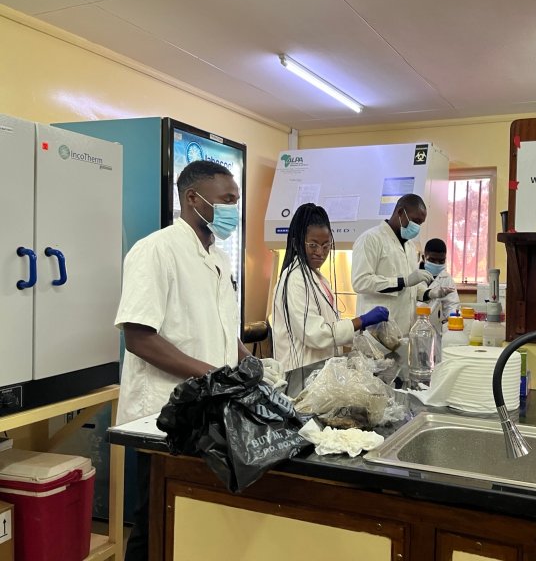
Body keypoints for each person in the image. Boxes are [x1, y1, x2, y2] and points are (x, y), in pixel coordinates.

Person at [115, 159, 266, 561]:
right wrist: (215, 374)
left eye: (237, 200)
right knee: (154, 519)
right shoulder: (155, 251)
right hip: (163, 413)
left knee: (189, 516)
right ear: (192, 198)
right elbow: (138, 337)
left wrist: (246, 361)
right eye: (227, 200)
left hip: (208, 408)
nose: (234, 208)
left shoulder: (217, 255)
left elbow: (218, 323)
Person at [272, 203, 389, 371]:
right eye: (313, 245)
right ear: (297, 243)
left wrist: (362, 329)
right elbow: (314, 334)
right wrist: (360, 321)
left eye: (326, 245)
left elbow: (328, 326)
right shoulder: (295, 279)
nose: (320, 252)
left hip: (317, 370)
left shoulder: (317, 277)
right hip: (300, 372)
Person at [351, 194, 434, 336]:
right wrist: (402, 281)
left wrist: (428, 293)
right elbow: (360, 282)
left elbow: (410, 288)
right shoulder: (370, 239)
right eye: (416, 221)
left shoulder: (410, 247)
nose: (417, 227)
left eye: (421, 223)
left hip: (404, 332)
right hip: (376, 333)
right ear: (400, 212)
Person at [420, 238, 460, 336]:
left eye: (441, 261)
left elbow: (452, 305)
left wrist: (453, 318)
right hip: (413, 329)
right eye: (432, 260)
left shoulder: (446, 278)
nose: (437, 264)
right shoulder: (412, 275)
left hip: (435, 332)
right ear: (423, 257)